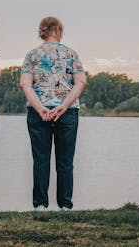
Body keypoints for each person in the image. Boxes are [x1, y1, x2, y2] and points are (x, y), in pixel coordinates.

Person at [19, 16, 87, 210]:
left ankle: (40, 204)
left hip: (37, 111)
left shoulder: (32, 55)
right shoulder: (71, 54)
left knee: (40, 160)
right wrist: (64, 106)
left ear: (42, 31)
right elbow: (81, 82)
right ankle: (65, 205)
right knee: (65, 161)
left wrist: (40, 107)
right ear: (57, 30)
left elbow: (25, 84)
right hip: (67, 112)